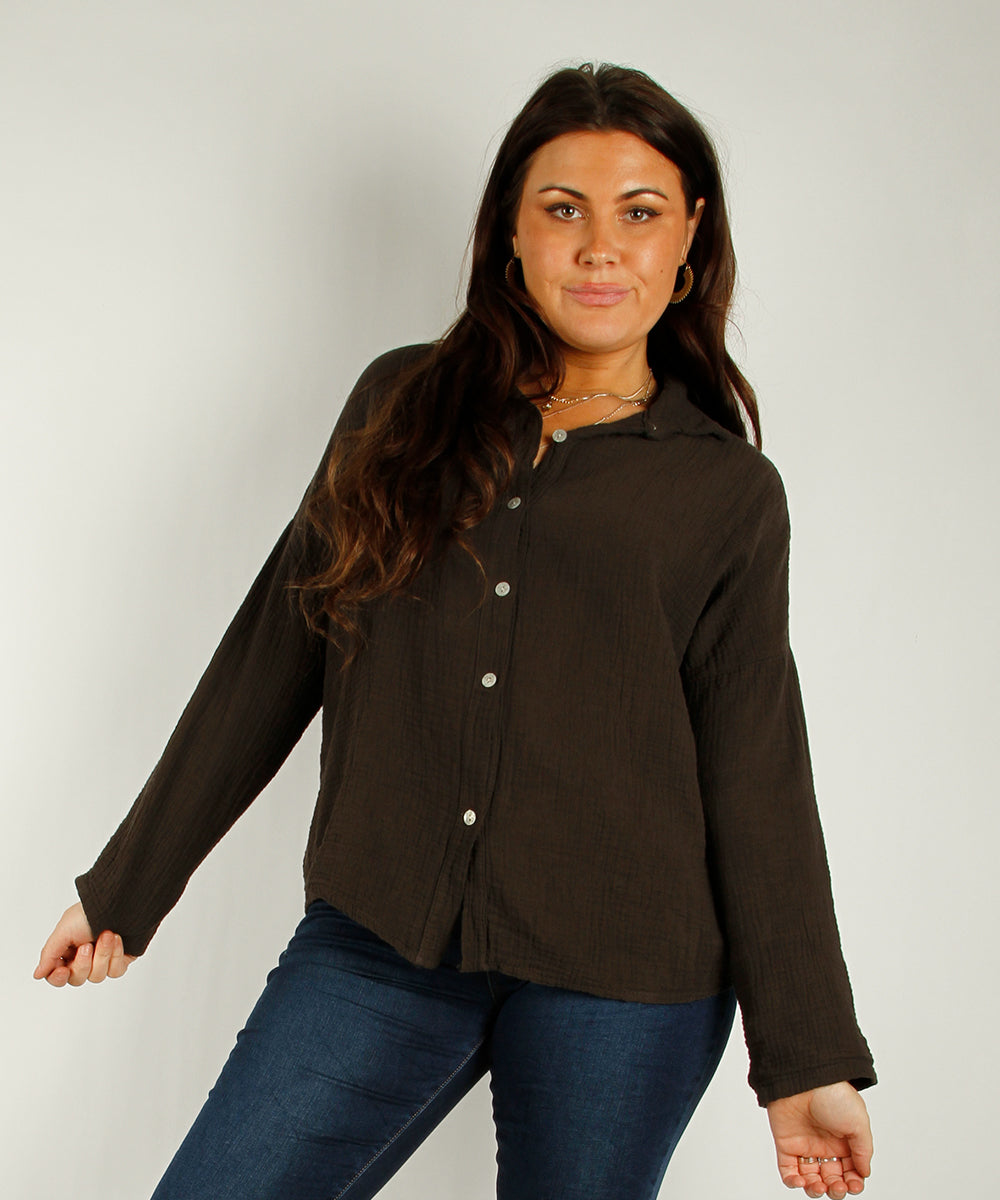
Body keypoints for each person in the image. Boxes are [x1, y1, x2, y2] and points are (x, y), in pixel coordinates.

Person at [34, 62, 876, 1200]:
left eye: (638, 214)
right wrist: (130, 884)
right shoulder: (398, 407)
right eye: (563, 209)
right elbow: (274, 652)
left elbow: (756, 771)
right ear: (510, 234)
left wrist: (808, 1056)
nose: (600, 248)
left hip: (626, 978)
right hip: (380, 937)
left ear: (689, 238)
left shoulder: (726, 493)